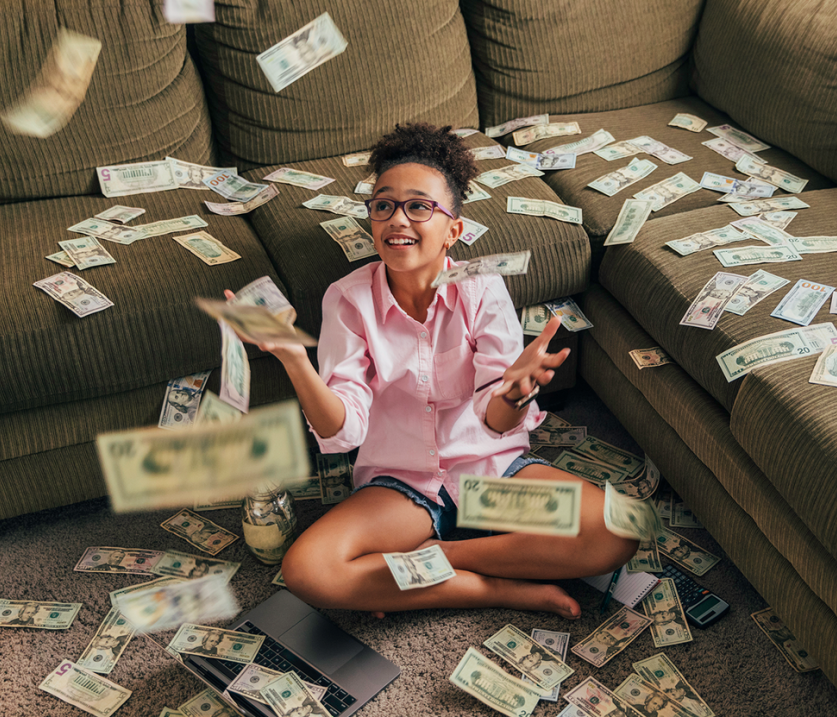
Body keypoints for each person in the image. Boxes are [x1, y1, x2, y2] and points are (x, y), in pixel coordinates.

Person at [229, 122, 636, 618]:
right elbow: (344, 429)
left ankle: (441, 561)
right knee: (309, 569)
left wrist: (514, 393)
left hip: (490, 477)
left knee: (617, 528)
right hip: (399, 487)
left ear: (453, 230)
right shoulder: (347, 298)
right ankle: (497, 589)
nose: (397, 218)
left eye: (419, 206)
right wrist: (292, 356)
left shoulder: (482, 289)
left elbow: (496, 421)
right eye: (384, 205)